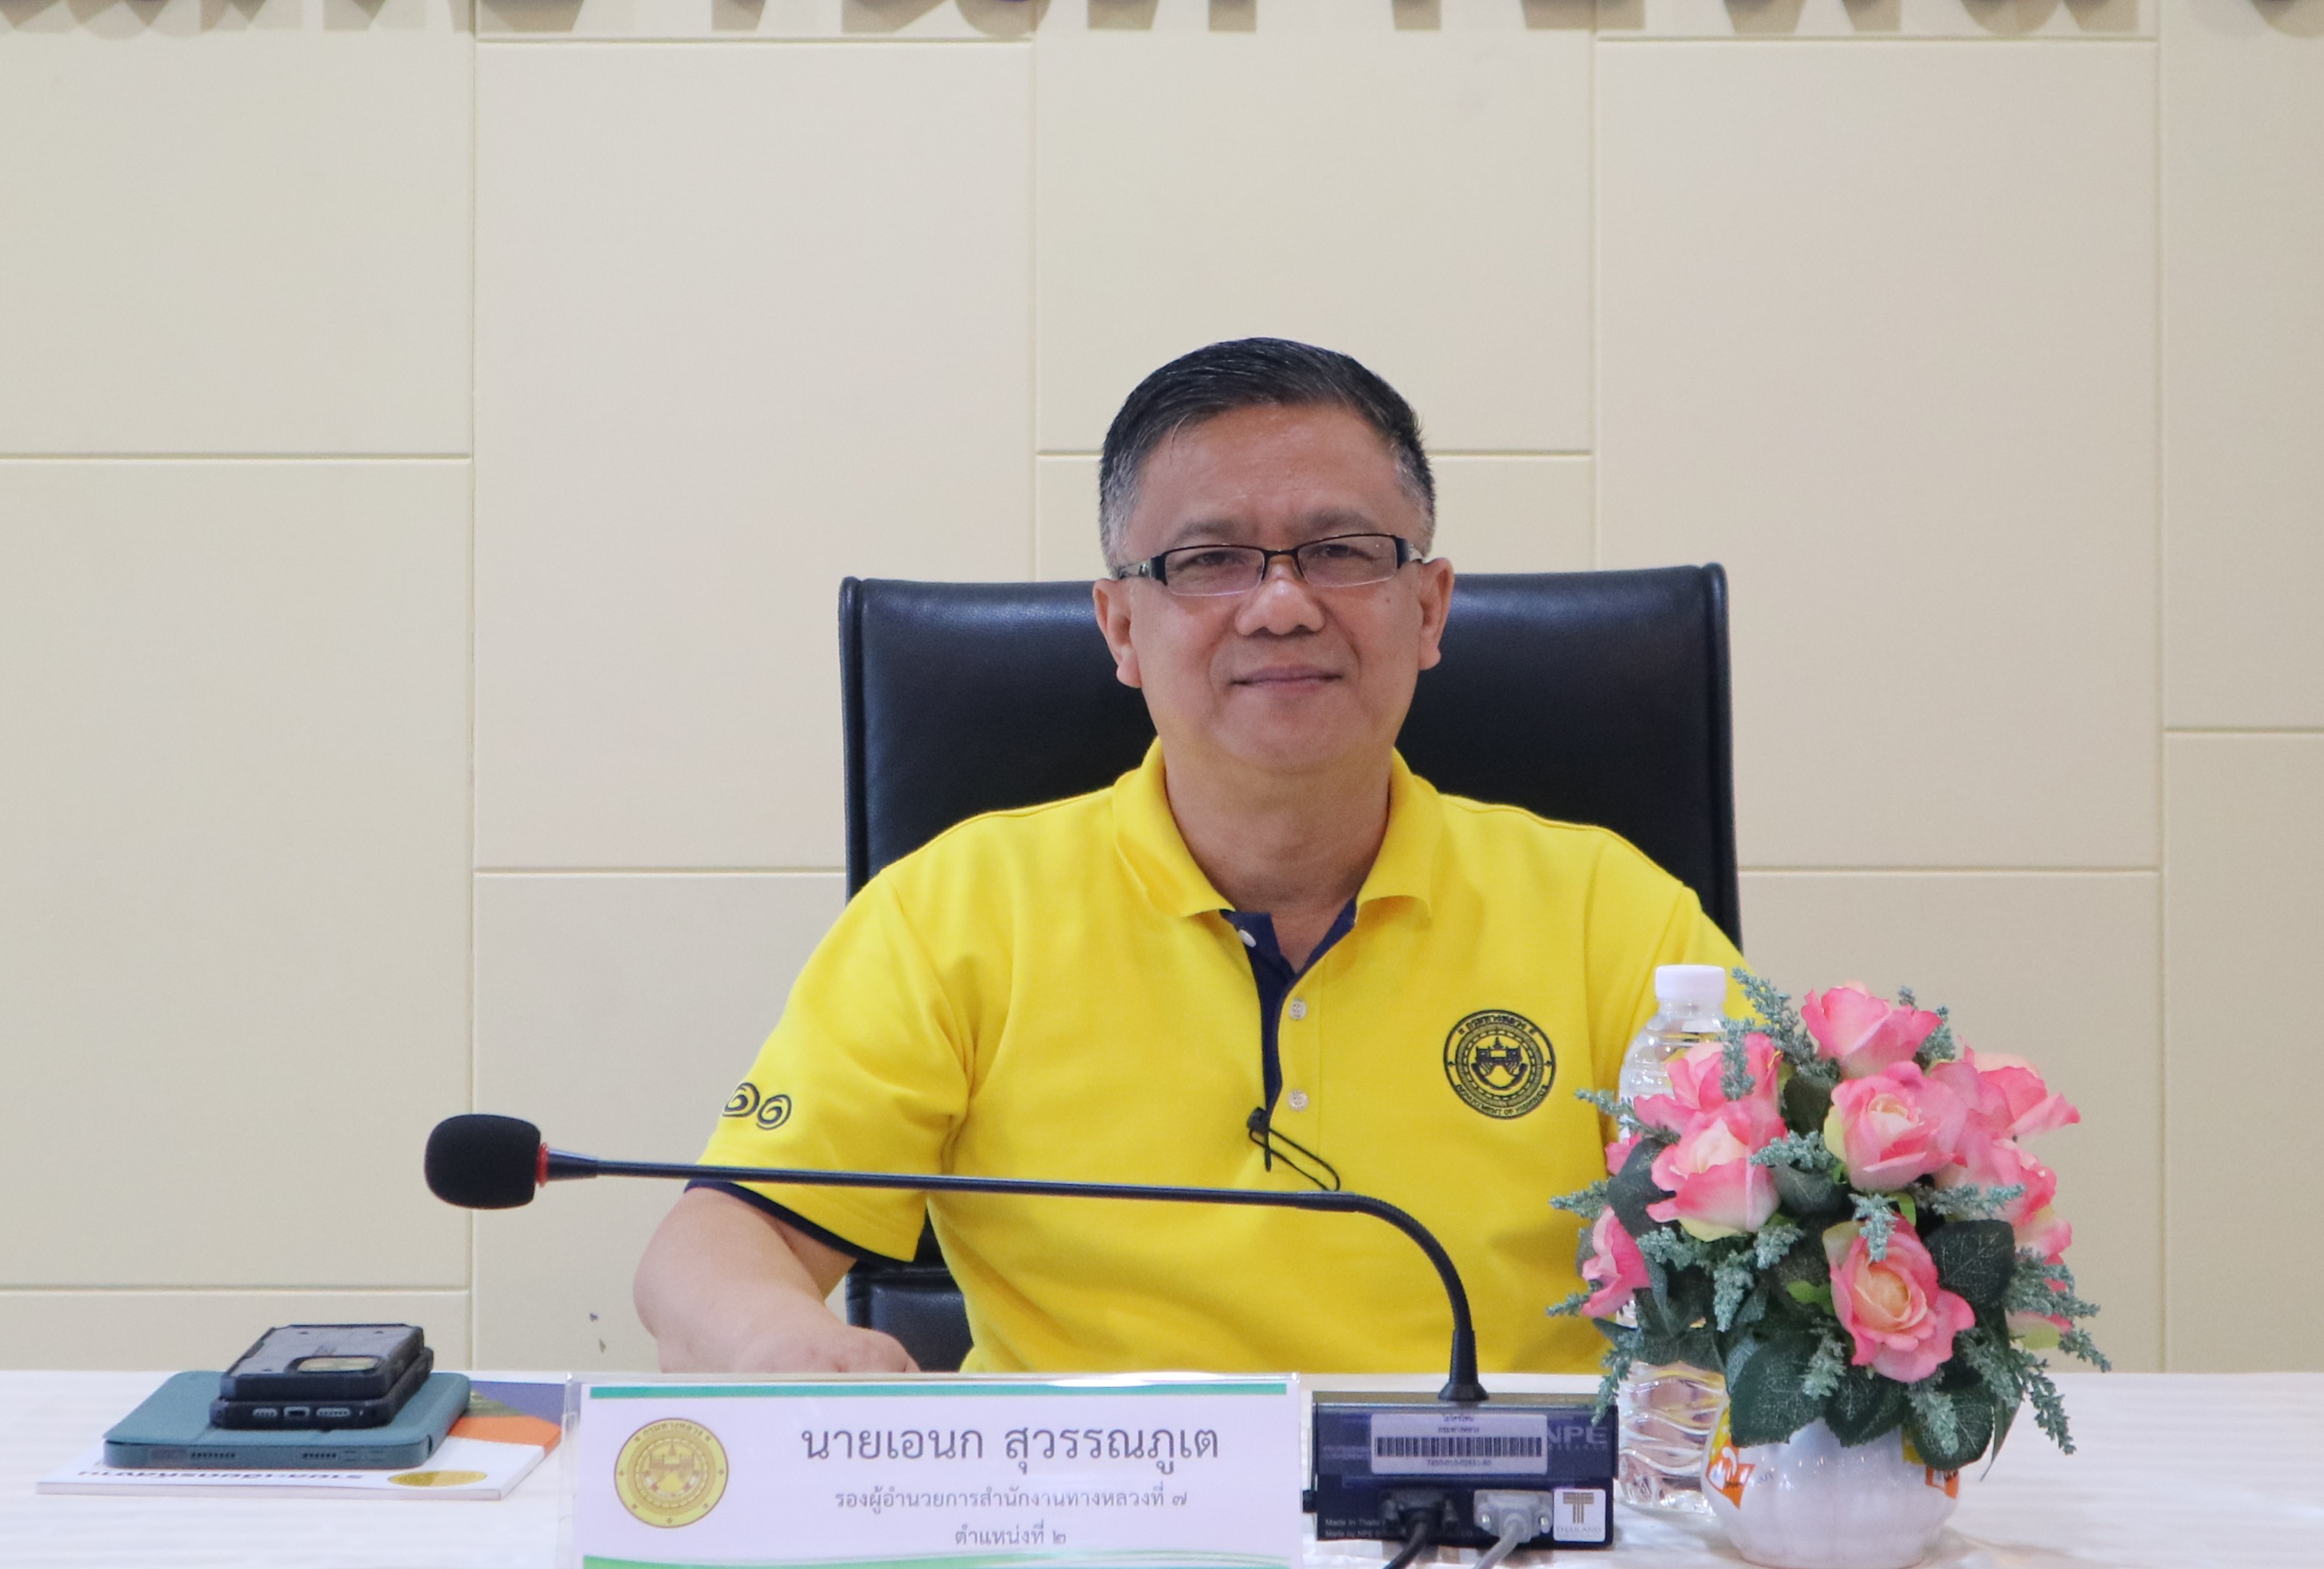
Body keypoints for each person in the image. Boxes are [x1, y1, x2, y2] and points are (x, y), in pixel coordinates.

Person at [633, 338, 1742, 1374]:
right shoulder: (954, 912)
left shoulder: (1610, 915)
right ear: (1120, 625)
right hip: (1084, 1508)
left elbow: (1780, 1232)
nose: (1281, 605)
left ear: (1428, 606)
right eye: (1211, 560)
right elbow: (718, 1241)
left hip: (1497, 1506)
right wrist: (787, 1344)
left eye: (1340, 551)